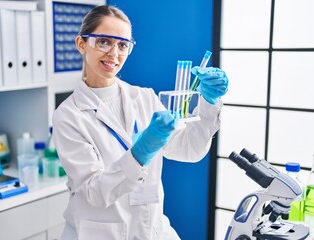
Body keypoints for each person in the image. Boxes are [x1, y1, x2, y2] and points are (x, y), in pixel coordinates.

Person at [52, 5, 229, 240]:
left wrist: (208, 102)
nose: (114, 54)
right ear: (82, 44)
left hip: (152, 230)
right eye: (104, 41)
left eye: (123, 45)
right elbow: (94, 192)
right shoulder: (69, 115)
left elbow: (190, 149)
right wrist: (141, 151)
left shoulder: (144, 98)